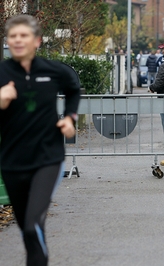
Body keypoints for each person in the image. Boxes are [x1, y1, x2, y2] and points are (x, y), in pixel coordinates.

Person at [0, 14, 80, 266]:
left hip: (48, 157)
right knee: (28, 230)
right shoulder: (2, 74)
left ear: (37, 41)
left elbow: (73, 89)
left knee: (33, 224)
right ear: (7, 41)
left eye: (24, 35)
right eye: (13, 36)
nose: (18, 40)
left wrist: (70, 118)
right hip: (12, 162)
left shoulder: (52, 70)